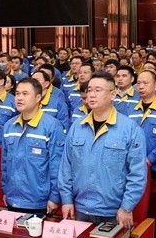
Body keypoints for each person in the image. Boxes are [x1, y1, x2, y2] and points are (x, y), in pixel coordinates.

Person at [59, 71, 147, 227]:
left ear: (113, 94)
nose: (92, 95)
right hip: (81, 208)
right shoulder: (77, 127)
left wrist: (126, 207)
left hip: (114, 211)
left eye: (98, 90)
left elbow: (137, 174)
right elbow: (66, 167)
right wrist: (66, 200)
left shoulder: (130, 129)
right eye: (89, 90)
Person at [1, 78, 65, 216]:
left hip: (39, 201)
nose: (19, 98)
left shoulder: (52, 126)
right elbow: (5, 163)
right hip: (12, 198)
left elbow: (57, 165)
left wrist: (55, 197)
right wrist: (6, 190)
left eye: (25, 94)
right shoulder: (9, 126)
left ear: (38, 98)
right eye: (17, 93)